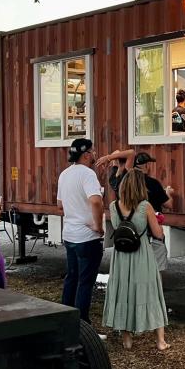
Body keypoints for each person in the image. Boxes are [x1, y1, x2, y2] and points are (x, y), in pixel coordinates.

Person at [103, 169, 170, 351]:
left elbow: (118, 227)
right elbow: (158, 234)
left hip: (121, 256)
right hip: (142, 253)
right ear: (141, 187)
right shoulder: (145, 206)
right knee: (150, 291)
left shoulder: (113, 205)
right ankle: (160, 341)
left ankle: (127, 339)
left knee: (124, 291)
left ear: (123, 185)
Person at [57, 137, 105, 324]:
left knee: (72, 277)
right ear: (86, 155)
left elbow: (60, 205)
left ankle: (65, 318)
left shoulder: (65, 174)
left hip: (69, 234)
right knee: (85, 282)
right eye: (93, 151)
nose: (94, 154)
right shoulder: (88, 174)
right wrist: (98, 226)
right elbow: (95, 200)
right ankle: (82, 323)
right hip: (87, 237)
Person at [131, 152, 173, 273]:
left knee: (137, 266)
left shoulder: (127, 183)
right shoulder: (153, 183)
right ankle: (155, 290)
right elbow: (168, 204)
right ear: (146, 165)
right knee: (156, 267)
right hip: (152, 229)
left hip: (134, 230)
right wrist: (169, 193)